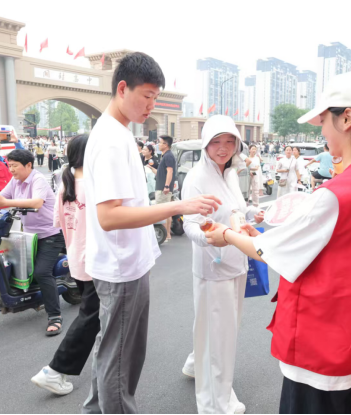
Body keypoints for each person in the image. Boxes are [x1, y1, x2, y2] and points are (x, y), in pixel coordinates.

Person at [206, 71, 351, 414]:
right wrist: (261, 237)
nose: (322, 131)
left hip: (327, 351)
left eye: (324, 121)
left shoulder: (337, 193)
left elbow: (269, 252)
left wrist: (227, 235)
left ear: (347, 118)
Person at [82, 52, 221, 414]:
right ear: (122, 88)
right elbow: (109, 217)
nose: (151, 105)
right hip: (121, 266)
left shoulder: (117, 133)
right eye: (146, 96)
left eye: (156, 97)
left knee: (112, 352)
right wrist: (178, 206)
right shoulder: (112, 140)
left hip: (123, 262)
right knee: (120, 361)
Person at [181, 115, 263, 415]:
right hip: (213, 268)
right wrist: (210, 239)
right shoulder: (196, 178)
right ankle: (216, 404)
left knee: (217, 330)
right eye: (216, 141)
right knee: (220, 338)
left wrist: (252, 214)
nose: (223, 147)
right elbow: (190, 224)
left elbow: (235, 209)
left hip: (236, 261)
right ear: (205, 143)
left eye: (230, 141)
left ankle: (196, 364)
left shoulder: (229, 173)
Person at [31, 135, 99, 395]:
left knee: (95, 316)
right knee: (90, 317)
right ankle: (54, 370)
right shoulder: (94, 186)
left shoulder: (65, 184)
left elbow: (60, 224)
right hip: (95, 262)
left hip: (77, 259)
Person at [0, 149, 66, 336]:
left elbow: (37, 203)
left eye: (14, 166)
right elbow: (1, 197)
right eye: (9, 165)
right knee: (19, 268)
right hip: (30, 236)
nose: (11, 170)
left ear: (28, 165)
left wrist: (6, 202)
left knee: (42, 272)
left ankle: (55, 316)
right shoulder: (15, 181)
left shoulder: (37, 179)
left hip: (50, 234)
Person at [155, 135, 177, 241]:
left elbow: (170, 171)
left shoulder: (168, 156)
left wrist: (166, 186)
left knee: (162, 211)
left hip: (163, 188)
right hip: (162, 187)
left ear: (166, 144)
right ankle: (167, 234)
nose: (158, 145)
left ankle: (165, 235)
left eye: (160, 142)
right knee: (166, 212)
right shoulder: (165, 156)